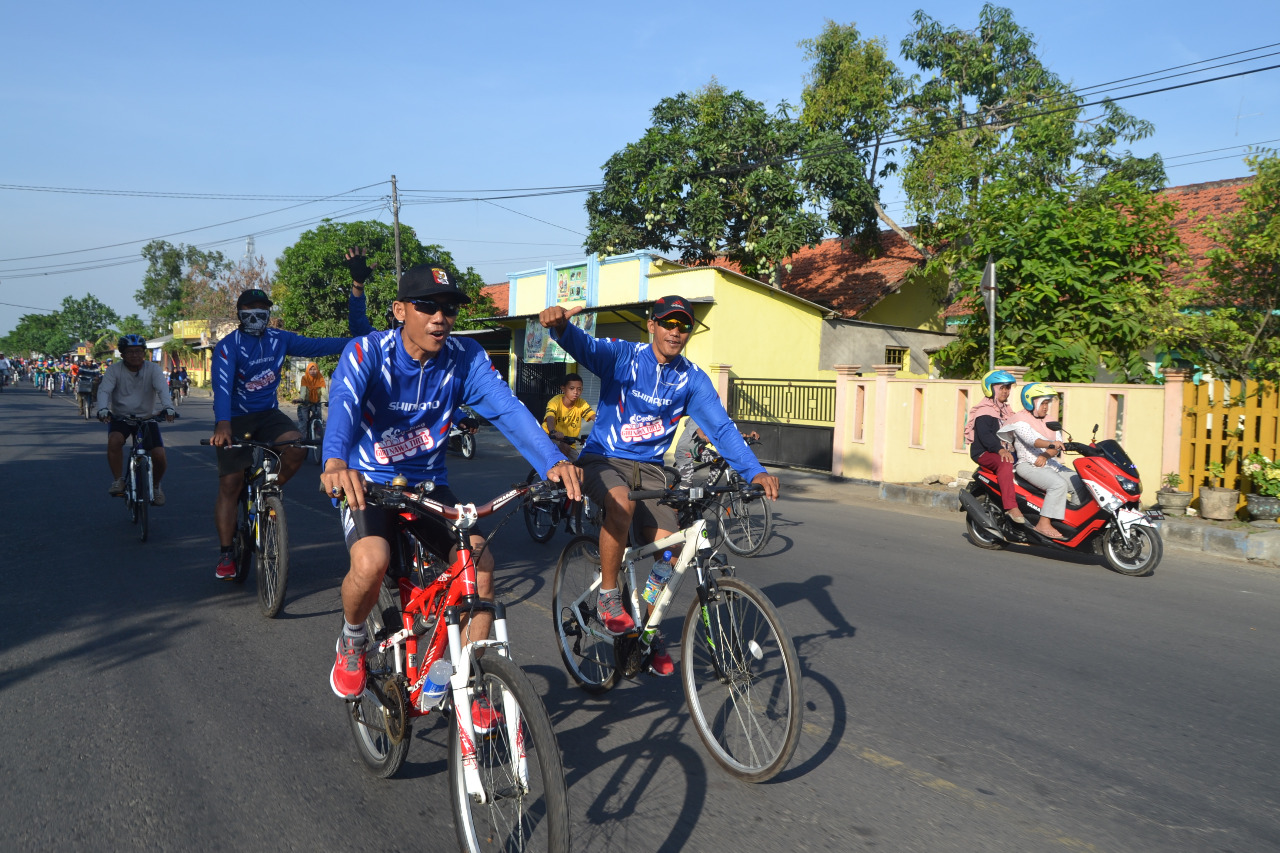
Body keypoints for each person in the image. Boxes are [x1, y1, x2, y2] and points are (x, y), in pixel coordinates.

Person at [320, 263, 582, 711]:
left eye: (449, 309)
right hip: (371, 483)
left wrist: (553, 460)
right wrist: (335, 462)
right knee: (372, 561)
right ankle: (351, 640)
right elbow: (344, 401)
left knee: (479, 567)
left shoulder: (465, 357)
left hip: (427, 485)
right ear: (400, 310)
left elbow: (508, 410)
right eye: (427, 306)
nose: (440, 318)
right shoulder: (368, 352)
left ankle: (464, 680)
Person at [537, 295, 779, 676]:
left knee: (673, 549)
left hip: (650, 468)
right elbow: (586, 347)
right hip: (605, 457)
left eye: (683, 326)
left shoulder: (691, 379)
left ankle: (648, 629)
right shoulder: (625, 357)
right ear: (652, 325)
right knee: (620, 503)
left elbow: (720, 427)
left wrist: (753, 471)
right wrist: (561, 327)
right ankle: (608, 597)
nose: (676, 332)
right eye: (668, 323)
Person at [208, 253, 373, 580]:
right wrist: (223, 424)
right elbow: (223, 389)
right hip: (236, 418)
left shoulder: (279, 339)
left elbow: (317, 345)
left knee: (297, 447)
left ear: (269, 313)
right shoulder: (228, 347)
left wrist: (353, 342)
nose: (257, 316)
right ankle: (227, 554)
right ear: (240, 315)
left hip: (268, 414)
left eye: (263, 311)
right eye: (250, 312)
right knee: (230, 483)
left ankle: (266, 493)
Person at [95, 335, 177, 504]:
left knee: (159, 455)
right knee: (114, 441)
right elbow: (104, 391)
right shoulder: (114, 370)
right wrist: (102, 409)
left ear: (144, 353)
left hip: (147, 418)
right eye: (130, 352)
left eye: (138, 351)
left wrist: (168, 407)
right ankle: (118, 480)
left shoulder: (153, 369)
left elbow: (162, 390)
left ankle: (155, 486)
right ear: (122, 354)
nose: (135, 355)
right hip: (121, 417)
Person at [999, 383, 1082, 541]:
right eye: (1043, 403)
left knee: (1079, 482)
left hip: (1050, 465)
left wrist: (1046, 455)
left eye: (1047, 403)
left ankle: (1070, 522)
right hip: (1028, 465)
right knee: (1058, 485)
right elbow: (1032, 441)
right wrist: (1050, 446)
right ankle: (1043, 523)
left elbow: (1057, 445)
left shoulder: (1050, 421)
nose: (1046, 407)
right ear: (1031, 401)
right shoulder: (1020, 420)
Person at [965, 369, 1025, 524]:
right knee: (1005, 462)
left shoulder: (1005, 409)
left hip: (1002, 450)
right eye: (1001, 388)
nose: (1005, 391)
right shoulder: (984, 411)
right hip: (985, 452)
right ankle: (1011, 507)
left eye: (1007, 388)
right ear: (991, 388)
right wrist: (1000, 449)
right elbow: (986, 436)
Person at [543, 372, 596, 459]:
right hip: (549, 439)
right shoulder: (555, 402)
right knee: (563, 453)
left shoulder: (581, 403)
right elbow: (550, 417)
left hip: (570, 442)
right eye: (572, 388)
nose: (576, 392)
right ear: (563, 389)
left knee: (580, 464)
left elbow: (595, 417)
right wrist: (553, 432)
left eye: (579, 389)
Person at [295, 362, 327, 431]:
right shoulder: (305, 378)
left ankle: (318, 438)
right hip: (304, 402)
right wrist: (301, 399)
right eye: (310, 369)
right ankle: (301, 440)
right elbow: (303, 391)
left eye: (314, 369)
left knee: (319, 420)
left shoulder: (320, 378)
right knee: (303, 423)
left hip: (316, 403)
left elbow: (324, 392)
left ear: (317, 370)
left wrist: (329, 400)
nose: (312, 371)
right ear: (308, 370)